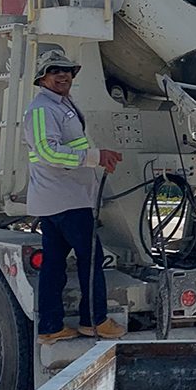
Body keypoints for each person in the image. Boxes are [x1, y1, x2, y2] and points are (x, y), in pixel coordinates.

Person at [23, 44, 123, 345]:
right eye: (54, 72)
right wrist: (95, 157)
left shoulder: (62, 105)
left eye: (66, 71)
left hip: (68, 197)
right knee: (90, 259)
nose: (62, 76)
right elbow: (47, 152)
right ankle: (94, 321)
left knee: (54, 265)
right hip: (64, 200)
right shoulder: (41, 109)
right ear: (42, 78)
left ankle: (52, 327)